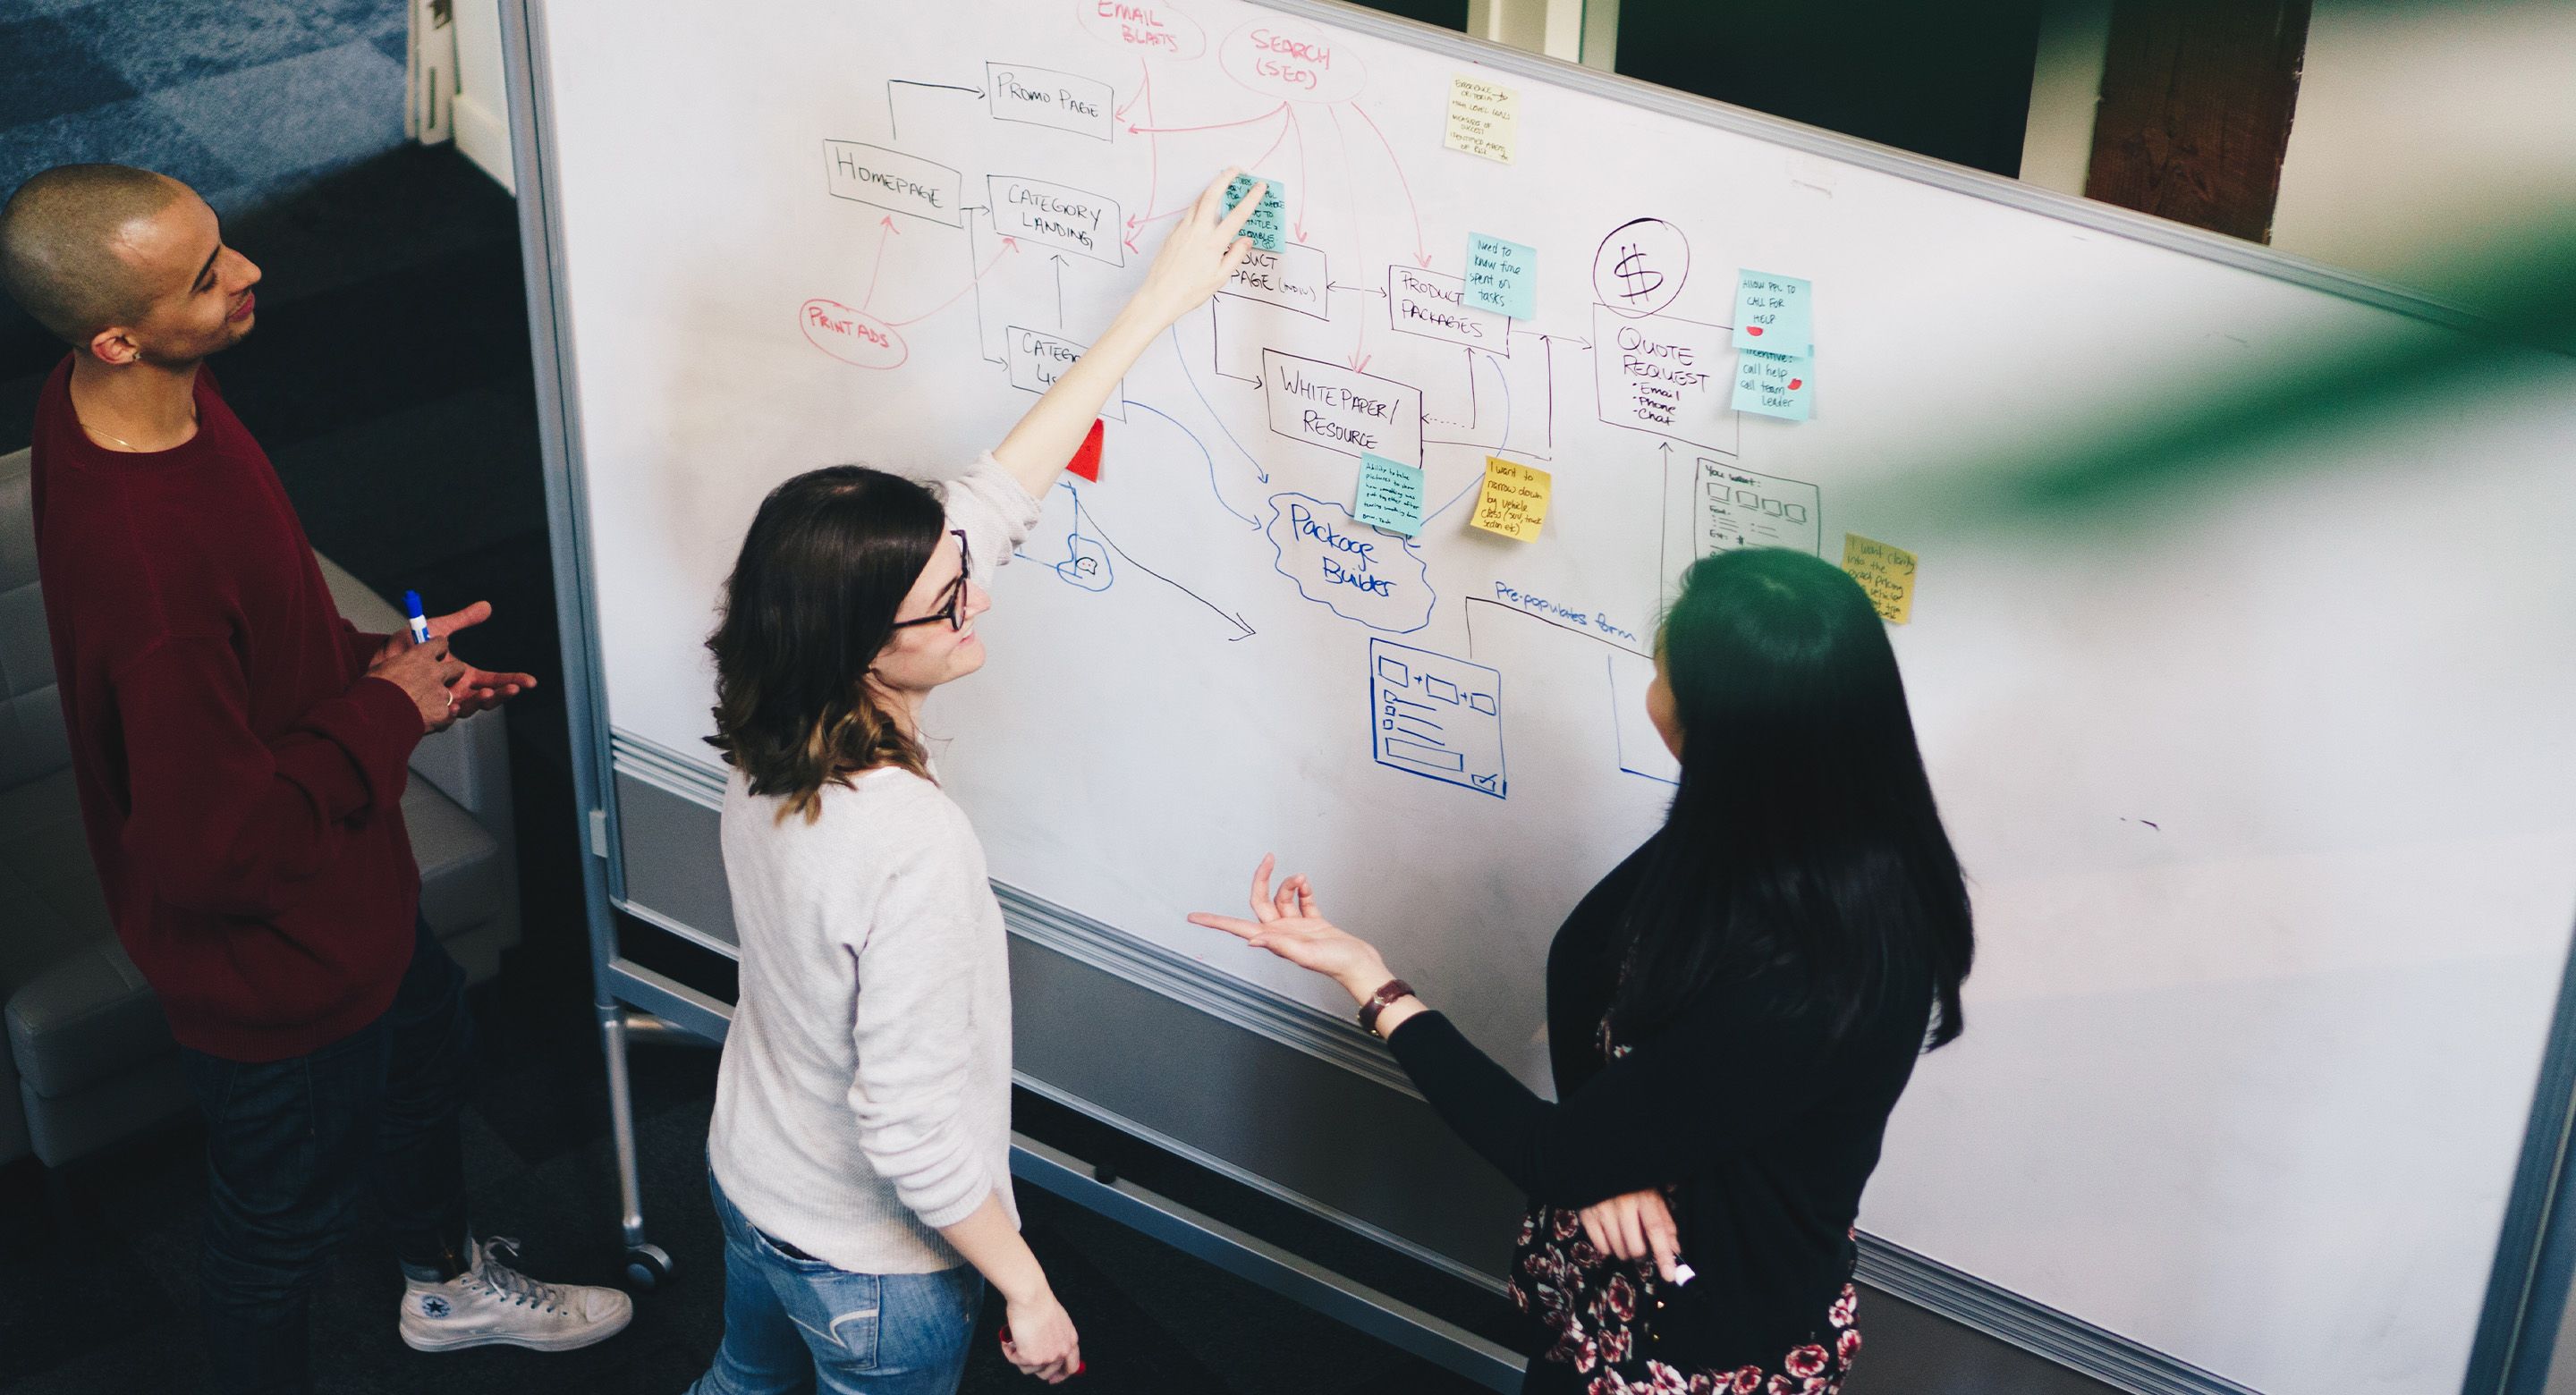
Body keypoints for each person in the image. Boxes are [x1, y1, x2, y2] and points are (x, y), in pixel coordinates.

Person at [0, 165, 630, 1391]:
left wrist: (377, 672)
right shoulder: (150, 577)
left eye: (224, 244)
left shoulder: (137, 397)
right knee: (272, 1231)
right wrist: (381, 715)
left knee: (432, 1065)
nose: (249, 273)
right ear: (117, 335)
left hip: (354, 889)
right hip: (277, 973)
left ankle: (443, 1285)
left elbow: (261, 641)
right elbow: (214, 850)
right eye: (207, 275)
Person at [684, 168, 1262, 1395]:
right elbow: (913, 1135)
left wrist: (1158, 304)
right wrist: (1029, 1289)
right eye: (947, 603)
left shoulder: (773, 718)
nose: (978, 595)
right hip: (868, 1266)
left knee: (740, 1386)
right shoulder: (907, 843)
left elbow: (994, 496)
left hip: (751, 1179)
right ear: (865, 642)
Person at [1192, 547, 1976, 1395]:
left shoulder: (1810, 966)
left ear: (1716, 726)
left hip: (1697, 1334)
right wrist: (1617, 1156)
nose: (1650, 691)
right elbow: (1583, 968)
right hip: (1621, 1270)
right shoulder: (1770, 821)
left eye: (1662, 674)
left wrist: (1374, 983)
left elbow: (1552, 1154)